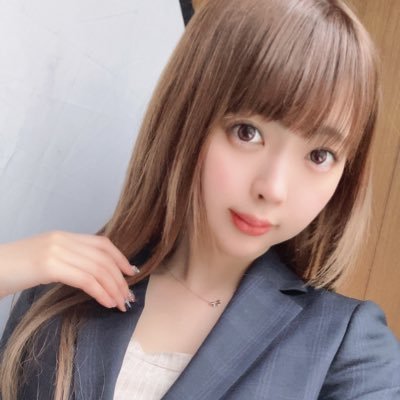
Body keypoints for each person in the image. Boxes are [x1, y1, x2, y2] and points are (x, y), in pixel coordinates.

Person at [1, 0, 400, 399]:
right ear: (187, 115)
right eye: (247, 133)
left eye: (320, 156)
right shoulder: (63, 292)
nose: (273, 188)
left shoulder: (344, 347)